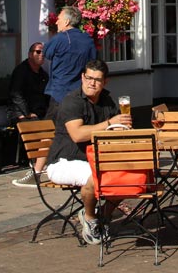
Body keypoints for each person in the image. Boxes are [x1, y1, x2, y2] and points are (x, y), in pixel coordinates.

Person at [45, 59, 132, 245]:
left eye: (97, 79)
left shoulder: (106, 101)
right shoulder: (72, 101)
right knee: (95, 176)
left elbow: (115, 128)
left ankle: (104, 216)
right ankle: (90, 218)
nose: (92, 83)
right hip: (64, 162)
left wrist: (121, 130)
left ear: (105, 82)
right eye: (89, 78)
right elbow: (77, 135)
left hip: (95, 159)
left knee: (130, 174)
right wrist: (110, 124)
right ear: (82, 77)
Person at [43, 6, 97, 117]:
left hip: (60, 95)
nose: (57, 22)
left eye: (59, 19)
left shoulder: (59, 38)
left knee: (52, 130)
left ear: (67, 22)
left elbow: (46, 53)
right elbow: (93, 63)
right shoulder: (88, 40)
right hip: (81, 95)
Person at [9, 42, 50, 187]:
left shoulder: (43, 74)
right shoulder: (21, 71)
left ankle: (42, 163)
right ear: (30, 54)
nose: (41, 55)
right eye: (38, 52)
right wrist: (26, 114)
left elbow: (46, 96)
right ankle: (35, 164)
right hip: (22, 113)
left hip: (39, 112)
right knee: (35, 128)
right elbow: (16, 94)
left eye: (43, 53)